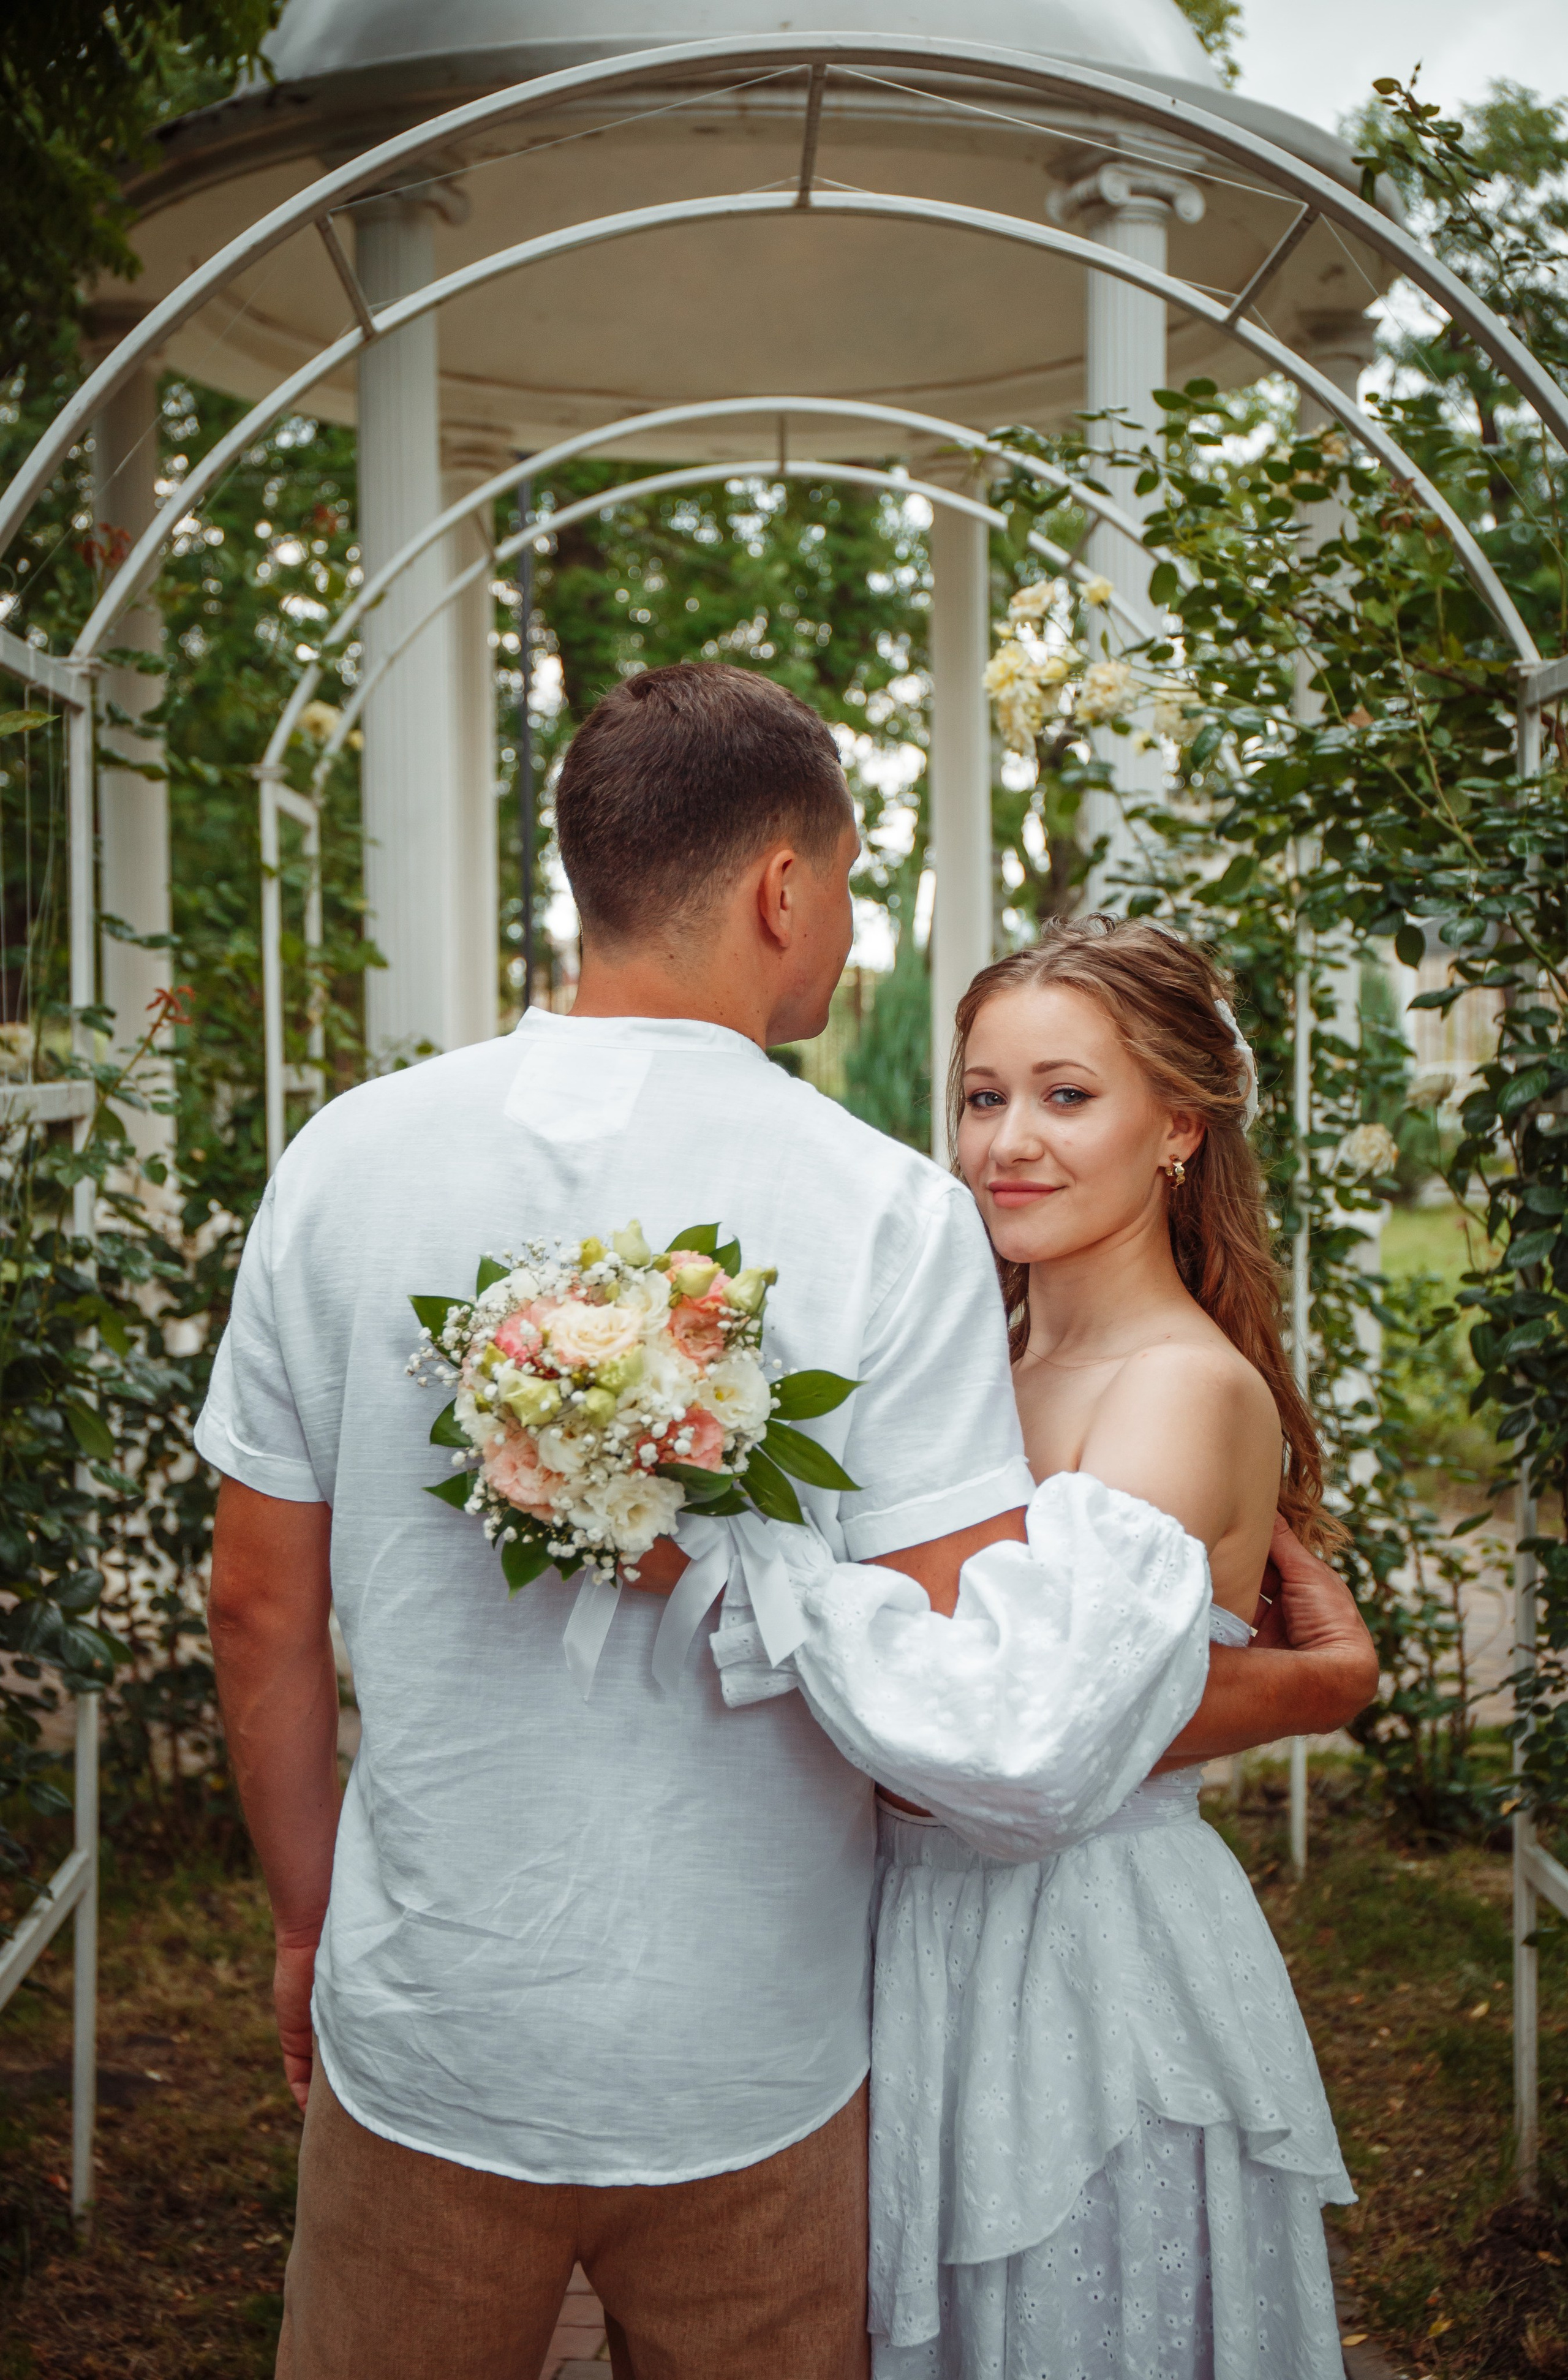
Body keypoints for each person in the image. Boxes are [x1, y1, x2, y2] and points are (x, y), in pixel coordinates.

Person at [201, 663, 1374, 2380]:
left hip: (430, 2014)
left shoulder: (341, 1161)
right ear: (781, 887)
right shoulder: (887, 1213)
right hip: (762, 2042)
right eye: (846, 884)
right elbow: (950, 1708)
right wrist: (1294, 1687)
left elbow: (257, 1609)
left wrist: (311, 1920)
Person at [856, 921, 1355, 2378]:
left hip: (1084, 1965)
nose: (1007, 1140)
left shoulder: (1180, 1390)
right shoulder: (981, 1374)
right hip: (922, 1946)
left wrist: (759, 1590)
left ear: (1177, 1129)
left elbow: (1008, 1744)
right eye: (980, 1094)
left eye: (1066, 1095)